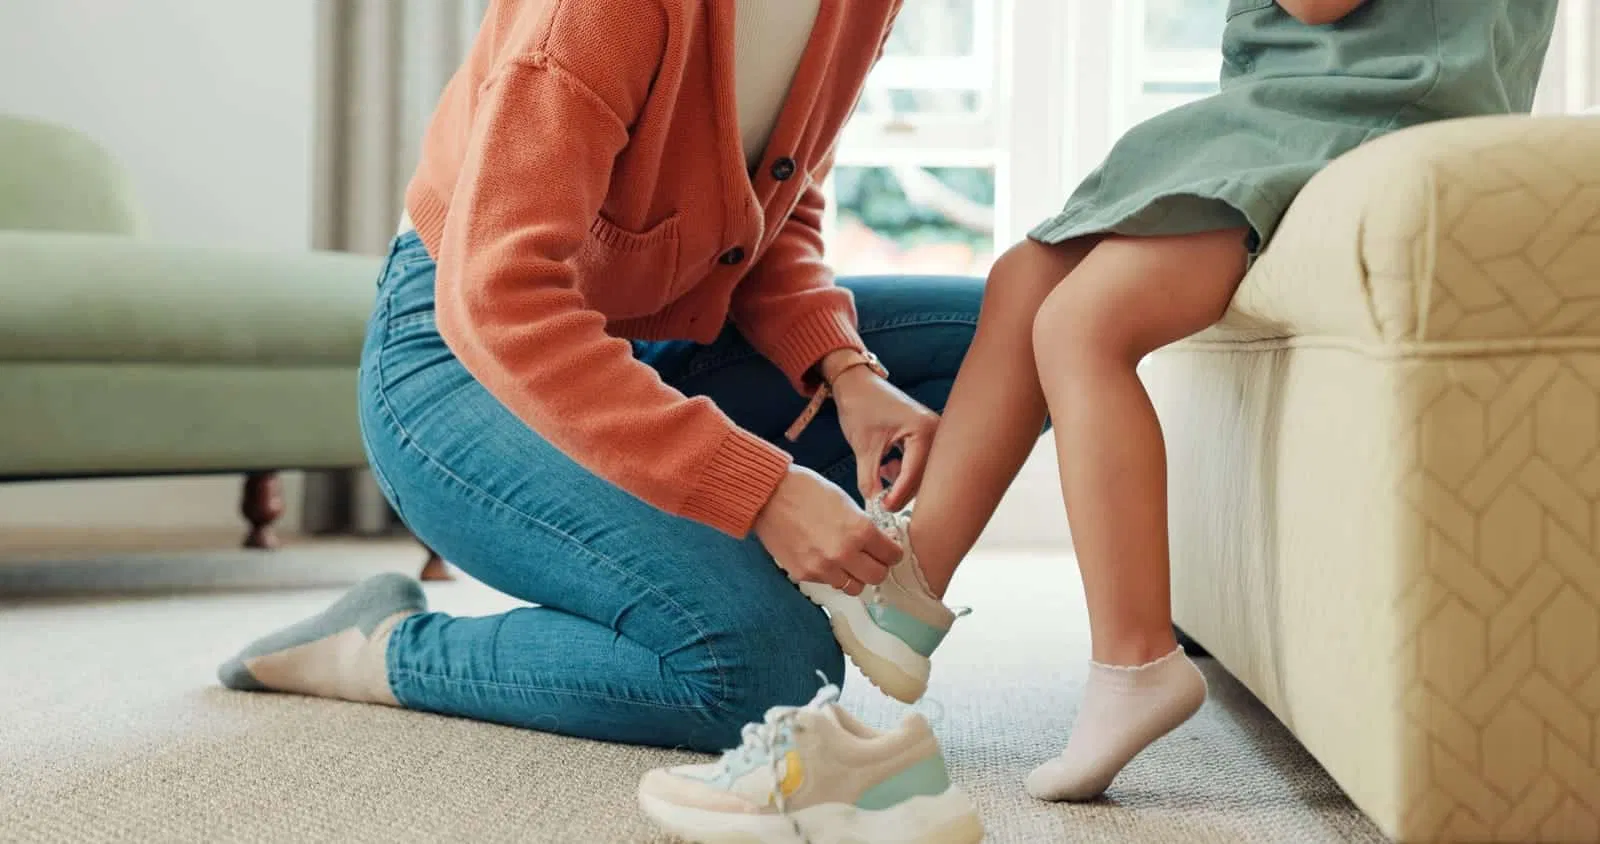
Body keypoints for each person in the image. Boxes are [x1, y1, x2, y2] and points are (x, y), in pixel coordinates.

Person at [723, 0, 1559, 808]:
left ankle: (1136, 662)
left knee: (1082, 327)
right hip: (1299, 101)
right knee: (1024, 279)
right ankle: (910, 582)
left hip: (1365, 101)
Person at [216, 0, 986, 754]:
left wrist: (846, 370)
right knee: (766, 671)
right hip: (461, 361)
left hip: (656, 339)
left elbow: (774, 211)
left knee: (996, 333)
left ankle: (839, 575)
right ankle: (377, 645)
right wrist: (763, 487)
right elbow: (497, 299)